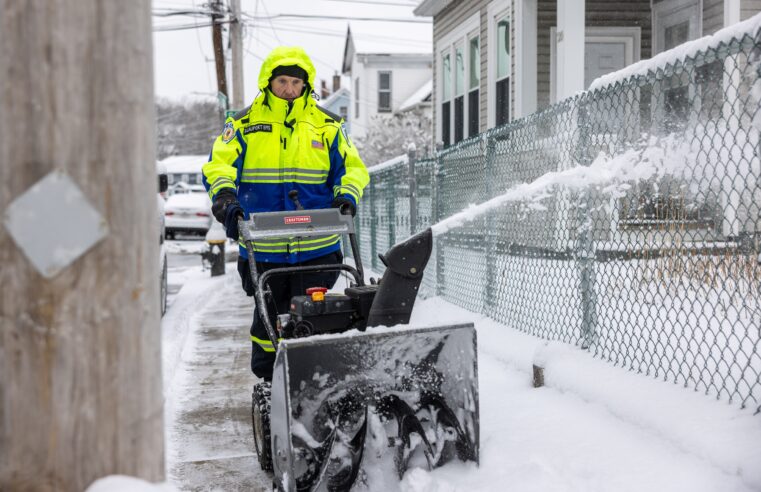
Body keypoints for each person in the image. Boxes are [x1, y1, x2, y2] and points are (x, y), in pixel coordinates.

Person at [202, 46, 369, 381]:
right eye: (282, 81)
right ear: (269, 82)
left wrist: (346, 197)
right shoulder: (243, 124)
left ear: (305, 85)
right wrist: (225, 200)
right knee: (268, 322)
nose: (290, 89)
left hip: (318, 247)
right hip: (264, 250)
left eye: (296, 82)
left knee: (317, 317)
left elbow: (352, 169)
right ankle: (269, 383)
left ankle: (320, 381)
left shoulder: (328, 126)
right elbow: (219, 166)